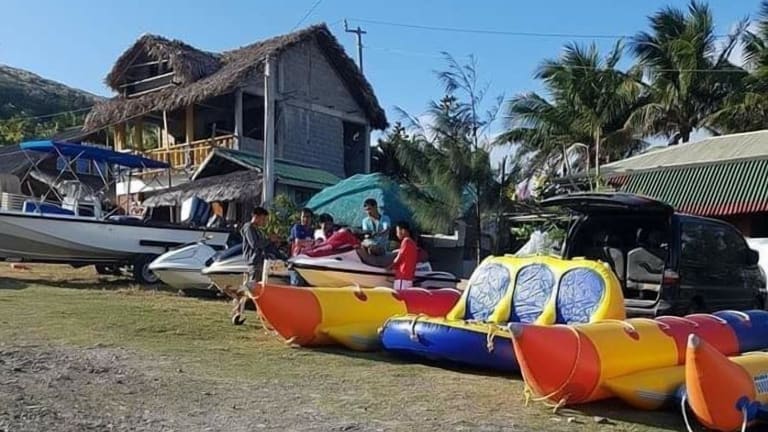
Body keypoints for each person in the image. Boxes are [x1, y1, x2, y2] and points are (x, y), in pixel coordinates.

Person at [228, 206, 271, 325]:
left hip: (257, 262)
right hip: (254, 263)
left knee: (254, 290)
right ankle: (238, 310)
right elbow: (255, 244)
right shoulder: (249, 228)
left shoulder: (256, 229)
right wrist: (269, 240)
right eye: (263, 219)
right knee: (251, 290)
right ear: (256, 217)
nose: (264, 222)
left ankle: (241, 311)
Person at [388, 221, 418, 290]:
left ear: (403, 231)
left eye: (397, 231)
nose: (397, 234)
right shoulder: (413, 243)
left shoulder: (406, 241)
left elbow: (399, 257)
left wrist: (389, 267)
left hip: (402, 277)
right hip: (408, 277)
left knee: (398, 295)